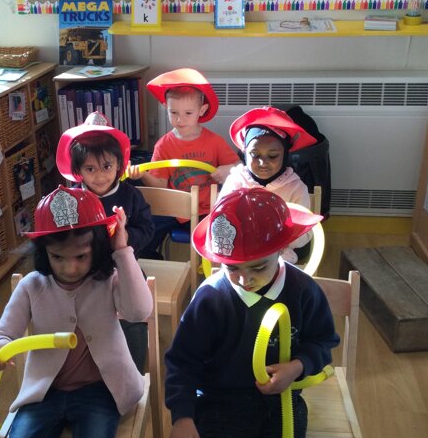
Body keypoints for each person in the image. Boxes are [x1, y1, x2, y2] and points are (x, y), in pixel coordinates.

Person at [0, 185, 152, 438]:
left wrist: (122, 249)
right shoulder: (32, 286)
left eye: (81, 256)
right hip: (46, 392)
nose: (70, 267)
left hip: (100, 391)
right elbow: (2, 335)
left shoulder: (108, 279)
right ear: (43, 251)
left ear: (98, 248)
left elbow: (140, 311)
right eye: (58, 257)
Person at [164, 187, 339, 438]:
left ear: (282, 249)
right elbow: (182, 362)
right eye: (232, 268)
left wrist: (296, 367)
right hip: (221, 401)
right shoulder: (210, 298)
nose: (245, 280)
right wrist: (183, 416)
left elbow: (323, 341)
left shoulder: (302, 290)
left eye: (258, 267)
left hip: (282, 400)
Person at [56, 112, 155, 370]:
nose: (100, 176)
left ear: (119, 165)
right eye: (90, 169)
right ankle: (82, 367)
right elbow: (58, 239)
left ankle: (133, 370)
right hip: (82, 272)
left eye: (107, 167)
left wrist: (125, 237)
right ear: (78, 171)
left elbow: (147, 228)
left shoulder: (130, 195)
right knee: (69, 311)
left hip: (123, 269)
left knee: (133, 314)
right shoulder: (70, 199)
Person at [128, 68, 239, 259]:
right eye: (173, 112)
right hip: (176, 210)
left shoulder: (214, 142)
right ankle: (149, 263)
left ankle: (222, 267)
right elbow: (160, 185)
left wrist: (228, 169)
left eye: (188, 113)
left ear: (201, 111)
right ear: (165, 107)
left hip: (209, 210)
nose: (180, 119)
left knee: (227, 235)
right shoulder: (163, 145)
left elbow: (240, 168)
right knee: (143, 232)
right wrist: (143, 175)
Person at [218, 106, 317, 264]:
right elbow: (220, 219)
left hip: (279, 255)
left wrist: (273, 238)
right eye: (254, 154)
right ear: (244, 153)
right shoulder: (235, 181)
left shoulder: (296, 188)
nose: (263, 163)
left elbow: (304, 234)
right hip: (240, 252)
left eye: (273, 156)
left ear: (285, 154)